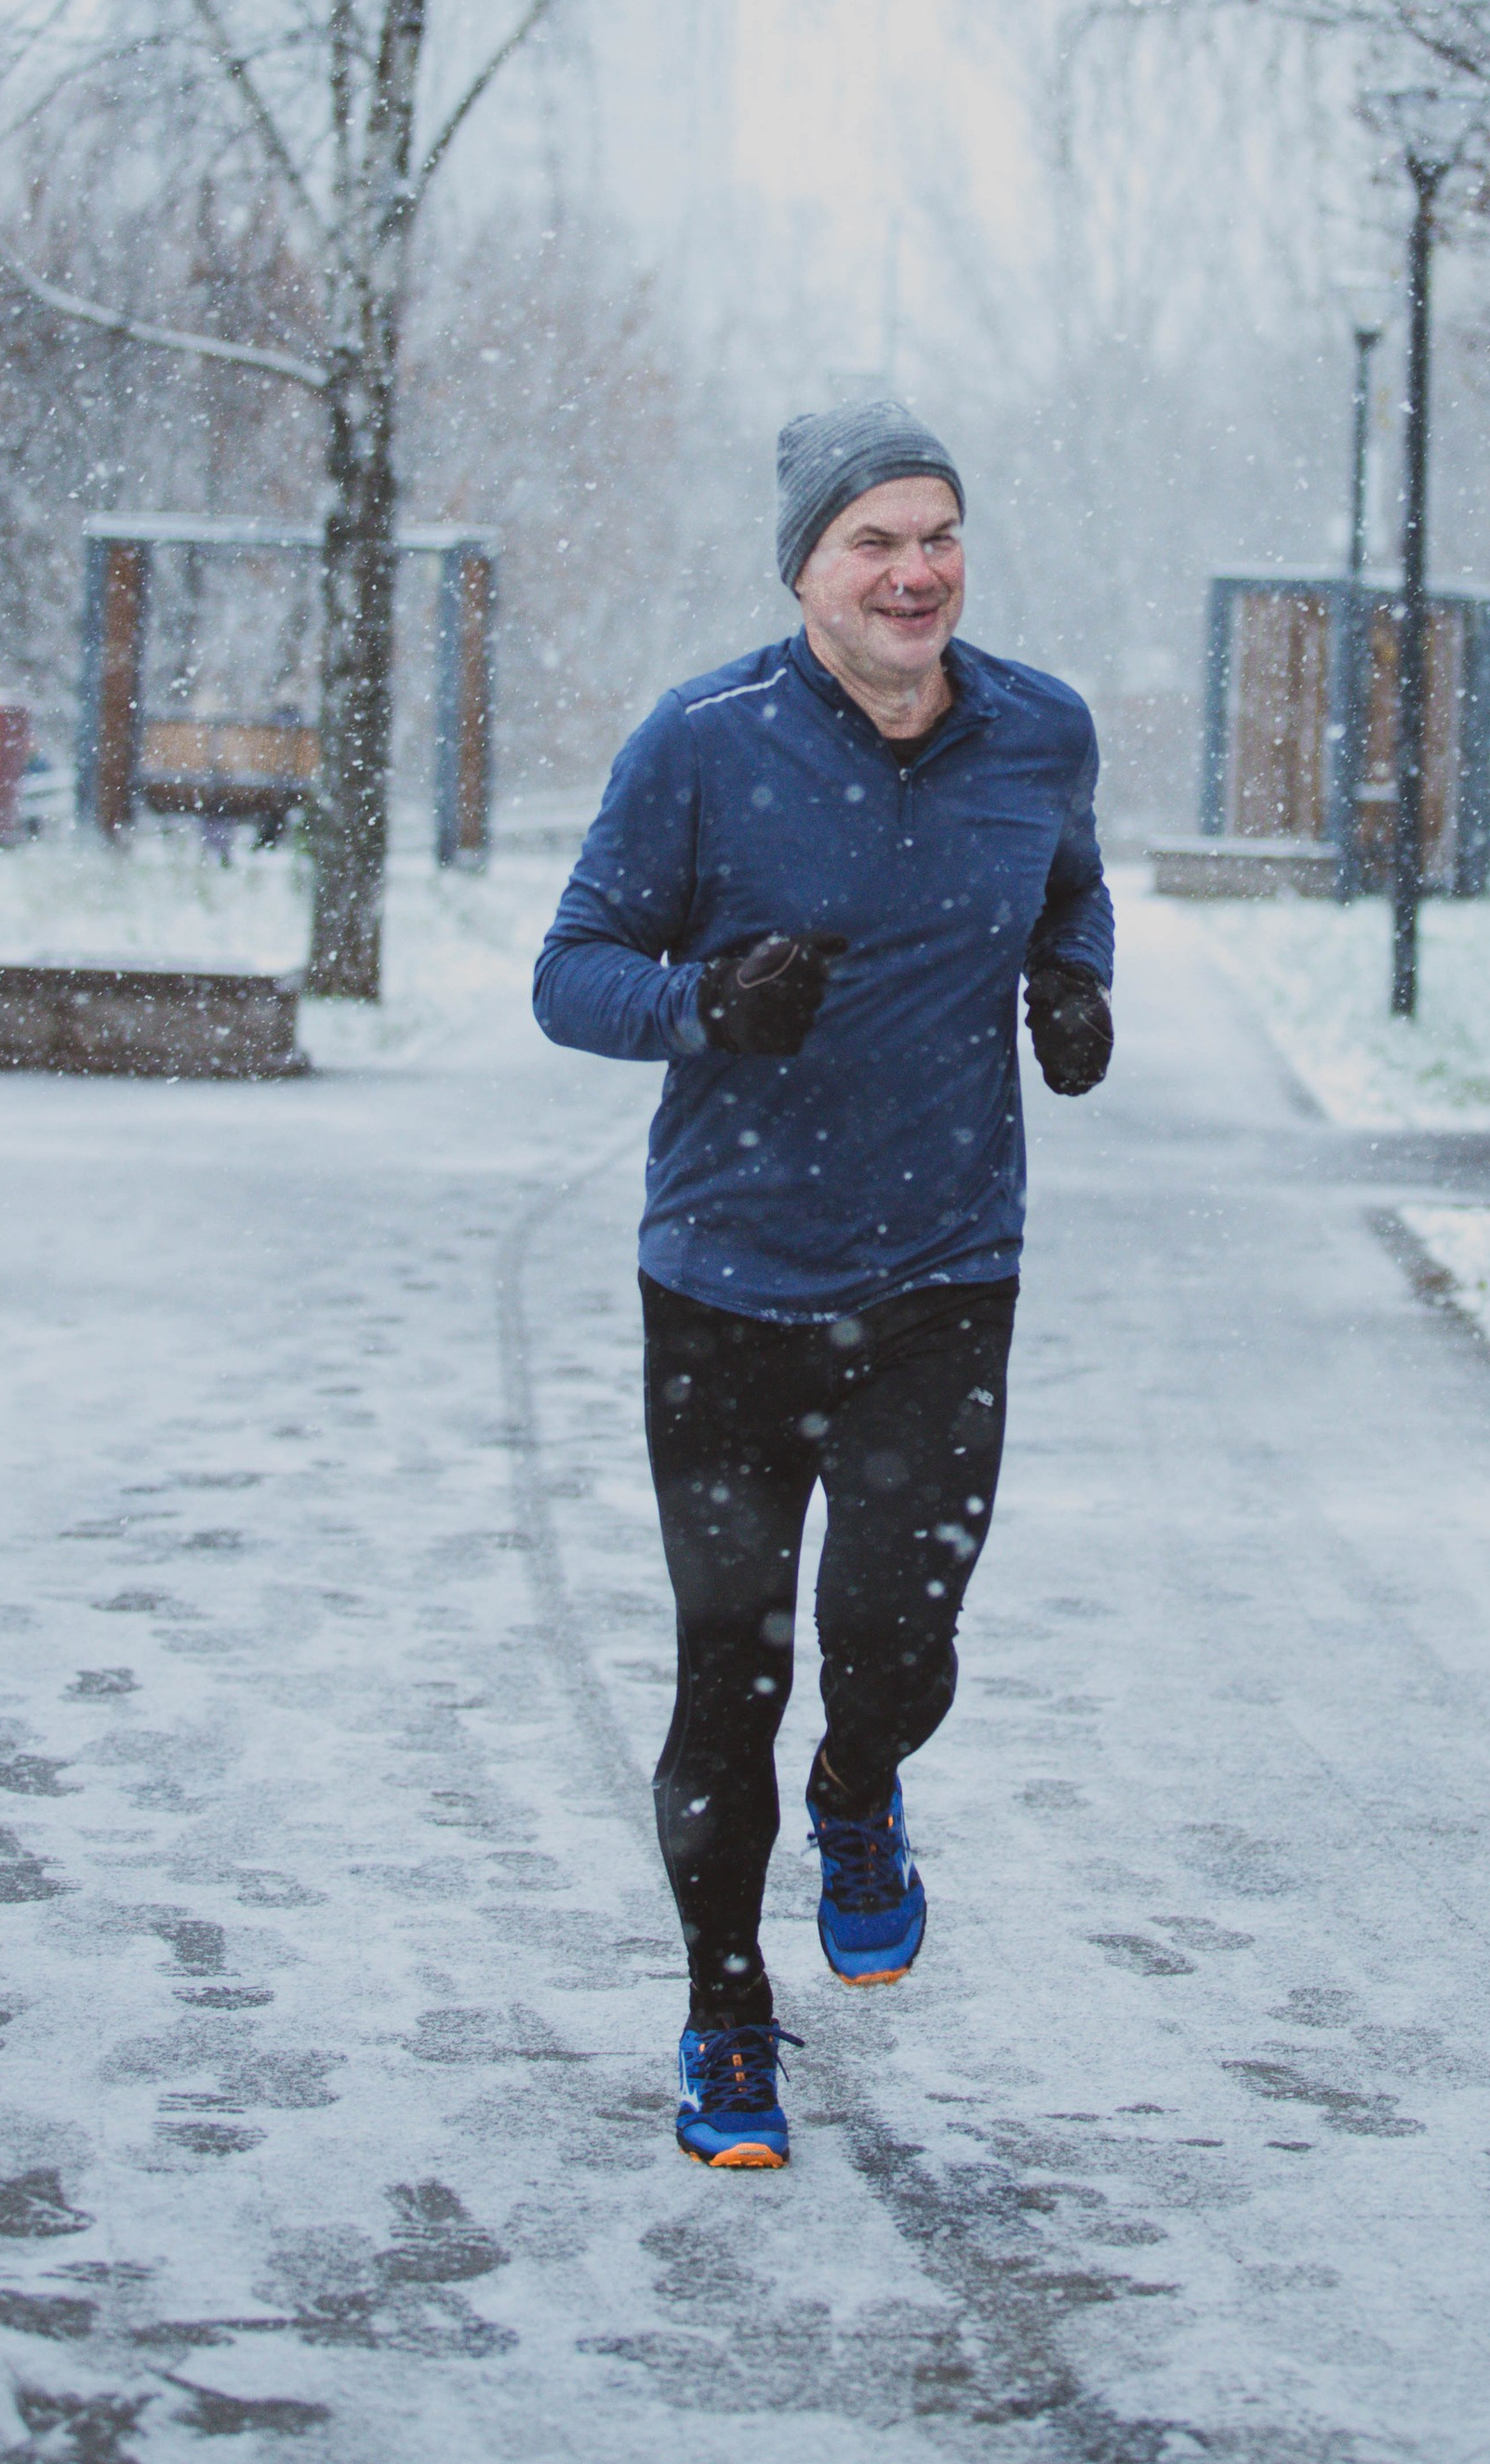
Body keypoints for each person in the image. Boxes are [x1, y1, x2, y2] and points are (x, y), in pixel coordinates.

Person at [532, 397, 1115, 2169]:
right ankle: (725, 2015)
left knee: (897, 1646)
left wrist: (1074, 988)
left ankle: (860, 1792)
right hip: (724, 1283)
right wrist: (705, 1005)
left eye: (938, 536)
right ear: (804, 569)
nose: (914, 573)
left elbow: (1068, 895)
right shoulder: (701, 743)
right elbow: (571, 974)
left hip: (944, 1275)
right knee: (730, 1671)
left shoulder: (1039, 731)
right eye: (875, 541)